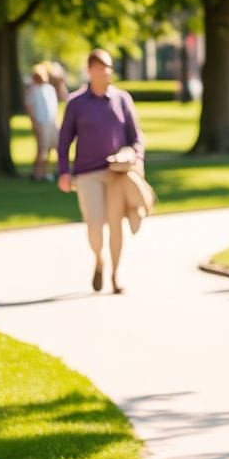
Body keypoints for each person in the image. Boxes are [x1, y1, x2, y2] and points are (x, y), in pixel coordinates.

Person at [57, 48, 147, 294]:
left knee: (116, 225)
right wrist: (63, 171)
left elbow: (136, 137)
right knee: (95, 226)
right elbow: (64, 141)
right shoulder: (76, 103)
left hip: (116, 173)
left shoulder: (122, 99)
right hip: (87, 174)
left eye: (107, 67)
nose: (105, 72)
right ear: (89, 70)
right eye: (99, 67)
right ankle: (99, 259)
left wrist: (137, 158)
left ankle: (116, 276)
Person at [25, 63, 61, 182]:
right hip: (41, 123)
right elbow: (30, 108)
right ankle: (37, 174)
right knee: (42, 150)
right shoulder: (32, 90)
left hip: (51, 123)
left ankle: (47, 172)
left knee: (52, 148)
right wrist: (34, 123)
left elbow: (53, 106)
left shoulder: (49, 89)